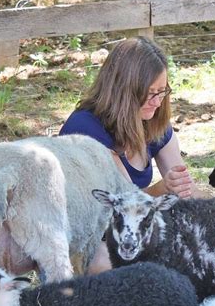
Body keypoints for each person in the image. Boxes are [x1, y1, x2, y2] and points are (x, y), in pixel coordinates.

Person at [59, 36, 206, 273]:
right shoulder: (87, 130)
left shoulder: (153, 121)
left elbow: (186, 189)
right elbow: (124, 205)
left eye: (163, 91)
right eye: (150, 93)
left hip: (128, 230)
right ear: (125, 91)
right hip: (88, 235)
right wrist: (161, 190)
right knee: (113, 265)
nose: (158, 101)